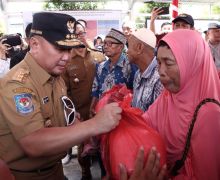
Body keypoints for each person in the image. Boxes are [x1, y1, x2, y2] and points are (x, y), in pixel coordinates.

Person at [0, 12, 122, 180]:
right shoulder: (18, 85)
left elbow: (66, 113)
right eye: (60, 48)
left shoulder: (55, 76)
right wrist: (94, 125)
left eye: (69, 49)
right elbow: (33, 143)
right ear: (34, 44)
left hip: (56, 171)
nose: (67, 57)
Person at [141, 29, 220, 179]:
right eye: (158, 63)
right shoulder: (167, 97)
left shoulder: (209, 113)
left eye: (168, 63)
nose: (161, 71)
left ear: (192, 63)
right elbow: (143, 124)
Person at [62, 19, 105, 180]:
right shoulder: (66, 61)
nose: (80, 36)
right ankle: (85, 173)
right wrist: (73, 114)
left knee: (103, 146)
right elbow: (64, 92)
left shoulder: (98, 56)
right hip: (81, 114)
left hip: (99, 113)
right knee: (83, 150)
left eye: (82, 33)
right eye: (76, 33)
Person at [90, 28, 137, 115]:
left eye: (110, 44)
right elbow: (96, 91)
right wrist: (92, 109)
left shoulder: (130, 66)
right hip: (101, 114)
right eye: (105, 43)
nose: (106, 46)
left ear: (121, 47)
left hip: (122, 116)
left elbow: (135, 93)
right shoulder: (100, 66)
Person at [127, 28, 163, 111]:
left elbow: (158, 117)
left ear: (139, 47)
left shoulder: (160, 77)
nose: (127, 51)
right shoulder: (138, 74)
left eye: (129, 46)